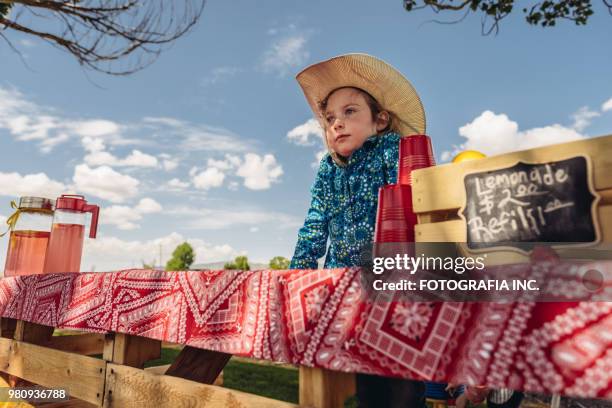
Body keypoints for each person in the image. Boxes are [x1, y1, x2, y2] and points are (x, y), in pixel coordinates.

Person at [289, 53, 427, 408]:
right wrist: (297, 279)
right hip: (345, 292)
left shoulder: (391, 150)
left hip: (395, 290)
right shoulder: (328, 169)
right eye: (331, 117)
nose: (337, 123)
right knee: (365, 386)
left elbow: (417, 206)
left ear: (380, 120)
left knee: (400, 387)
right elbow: (314, 224)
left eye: (350, 111)